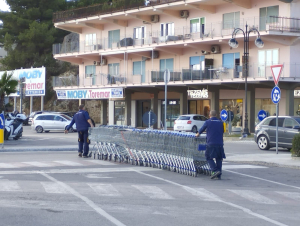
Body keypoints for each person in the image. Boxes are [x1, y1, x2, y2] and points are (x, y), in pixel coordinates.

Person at [195, 110, 226, 179]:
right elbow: (223, 131)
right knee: (219, 158)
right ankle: (219, 174)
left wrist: (198, 134)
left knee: (208, 156)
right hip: (220, 143)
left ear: (209, 115)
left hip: (211, 143)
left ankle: (215, 170)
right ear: (216, 115)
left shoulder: (208, 122)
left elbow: (202, 129)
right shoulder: (221, 123)